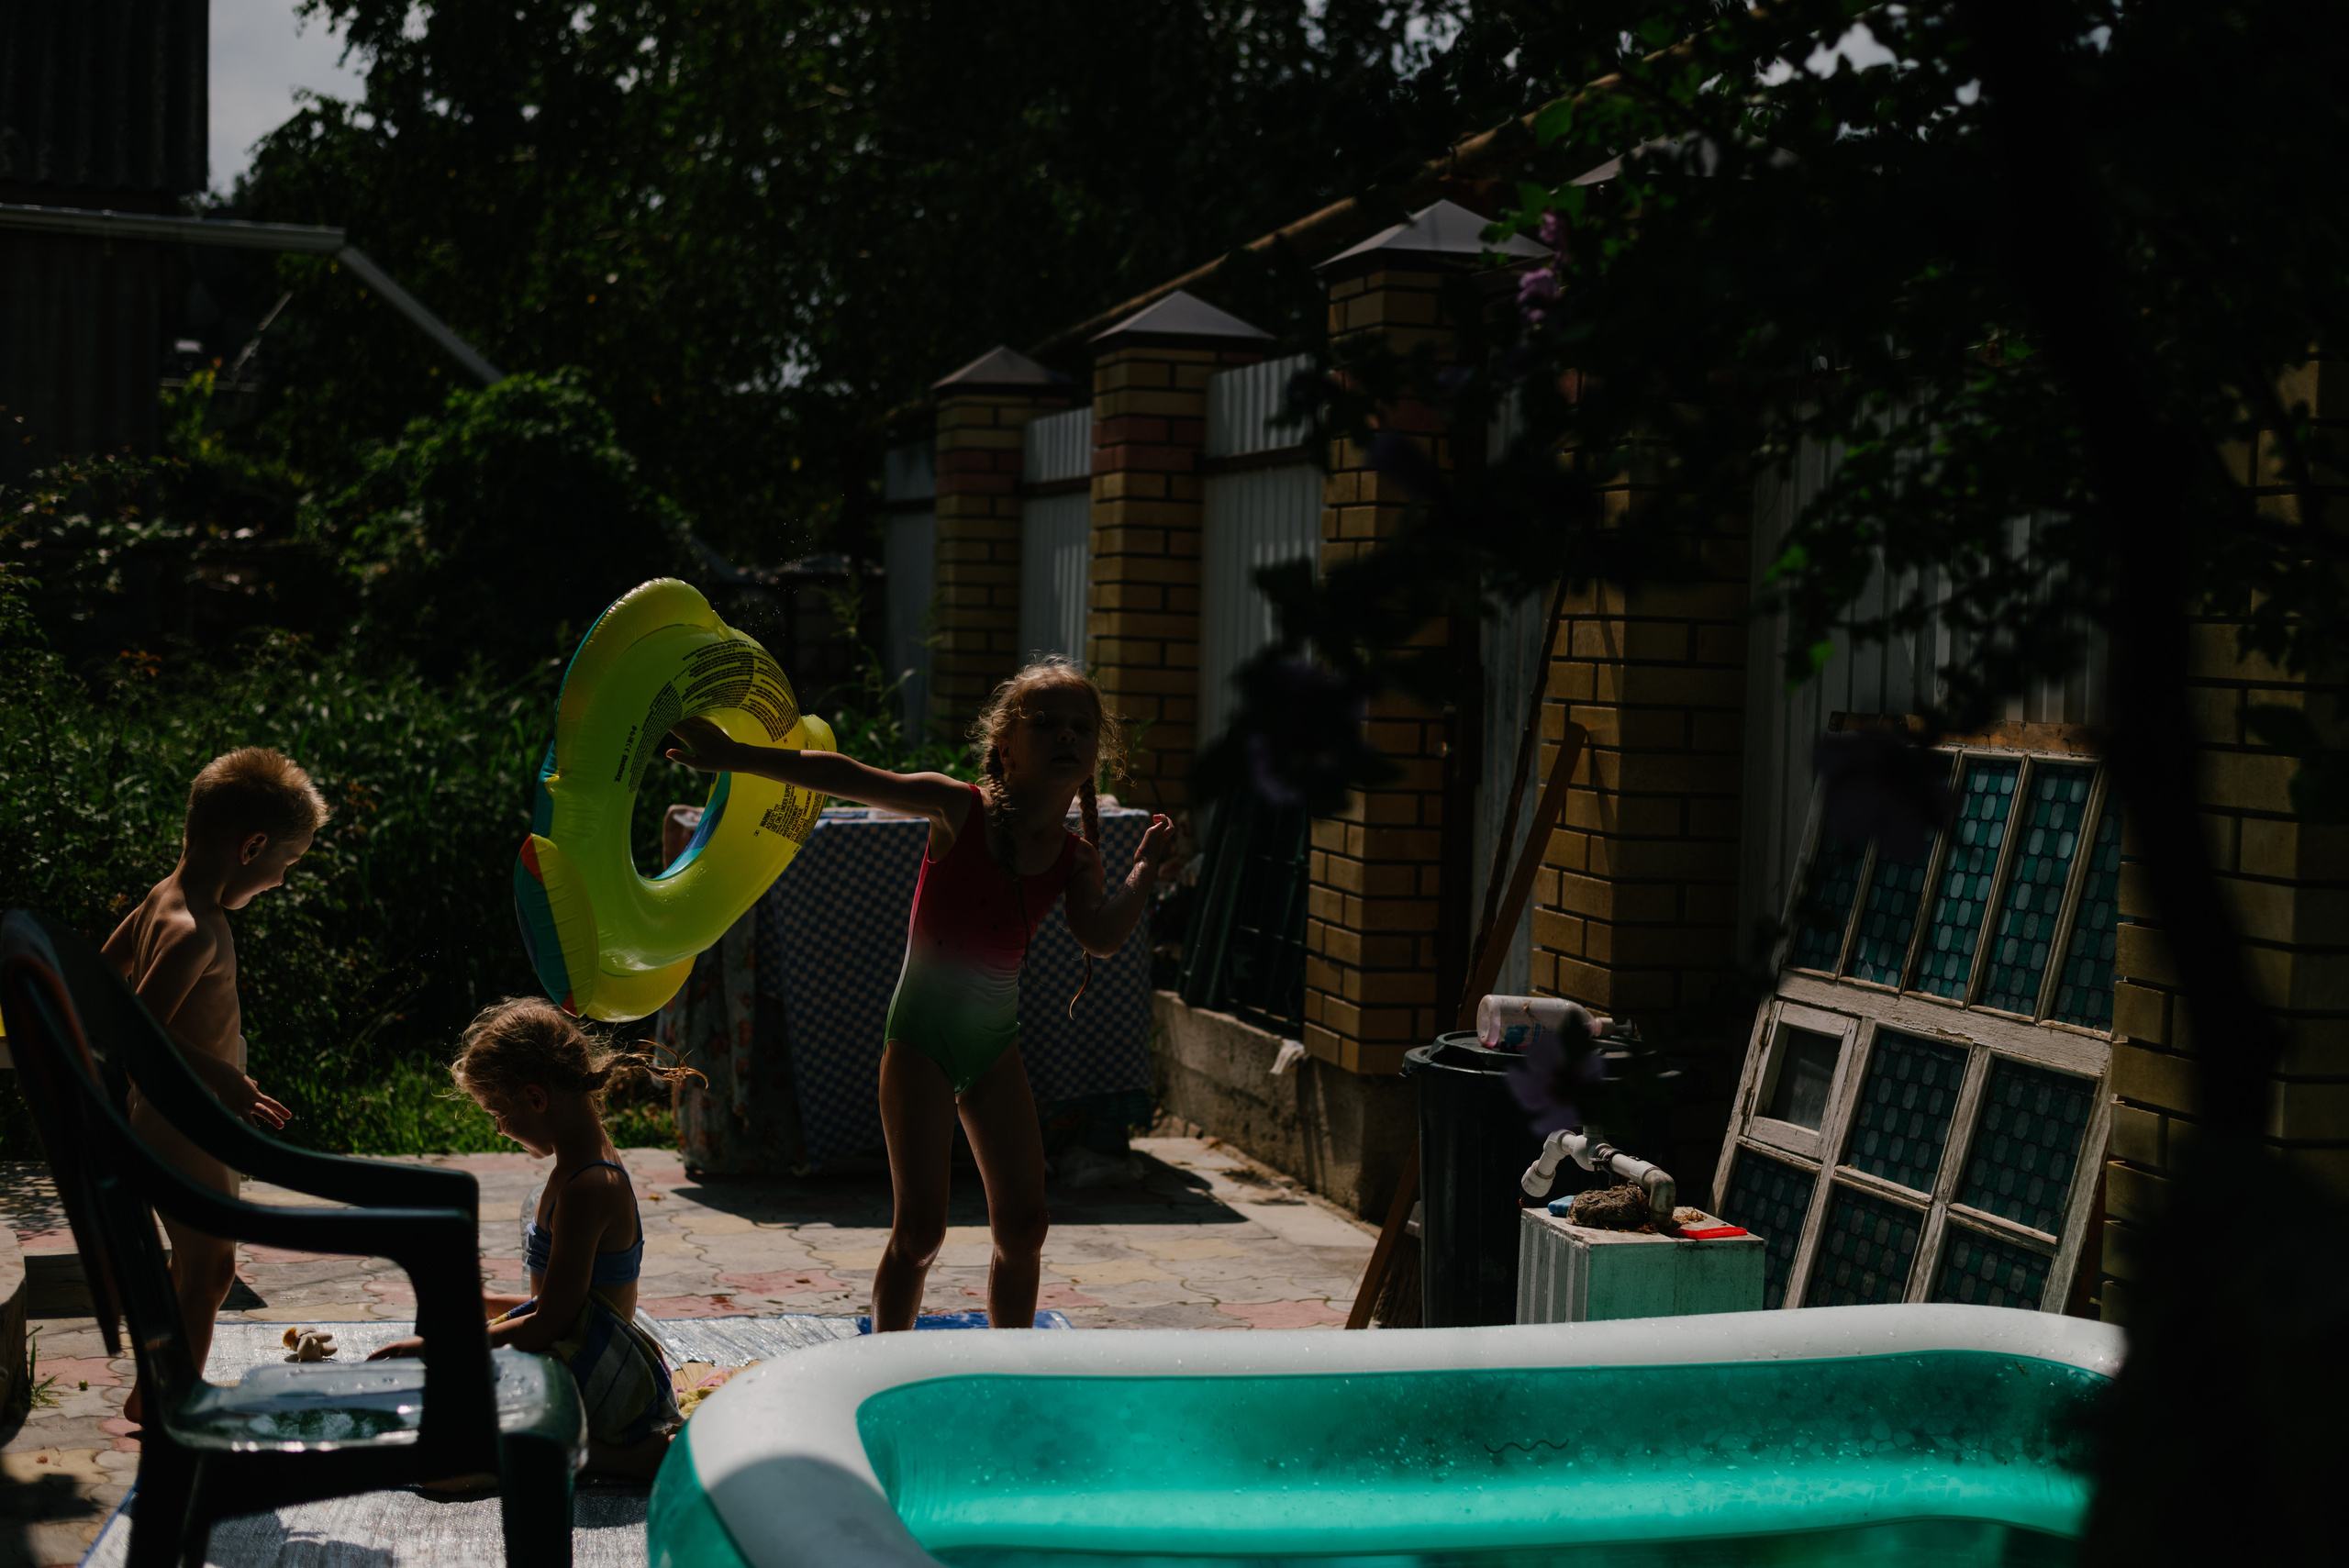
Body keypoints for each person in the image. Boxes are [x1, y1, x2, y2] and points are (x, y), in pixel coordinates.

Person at [663, 656, 1171, 1331]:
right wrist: (736, 757)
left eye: (1081, 726)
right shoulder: (958, 808)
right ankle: (884, 1361)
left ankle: (1009, 1365)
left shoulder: (1076, 856)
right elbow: (848, 777)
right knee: (920, 1232)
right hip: (920, 1046)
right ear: (1003, 745)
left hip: (994, 1050)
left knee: (1024, 1228)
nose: (1066, 737)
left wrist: (1141, 871)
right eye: (1044, 723)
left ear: (1096, 750)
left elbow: (1101, 935)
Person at [370, 997, 691, 1479]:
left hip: (596, 1372)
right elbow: (559, 1303)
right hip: (580, 1346)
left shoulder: (588, 1187)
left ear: (537, 1098)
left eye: (498, 1113)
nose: (499, 1129)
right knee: (439, 1393)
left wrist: (438, 1347)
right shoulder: (580, 1166)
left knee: (455, 1421)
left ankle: (628, 1459)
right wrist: (478, 1301)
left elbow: (549, 1323)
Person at [104, 747, 326, 1415]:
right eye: (283, 865)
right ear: (252, 845)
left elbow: (105, 979)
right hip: (181, 1120)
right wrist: (222, 1075)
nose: (281, 881)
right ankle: (175, 1400)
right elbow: (135, 1030)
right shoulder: (192, 926)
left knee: (193, 1263)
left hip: (180, 1115)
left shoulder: (163, 900)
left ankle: (156, 1389)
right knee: (210, 1269)